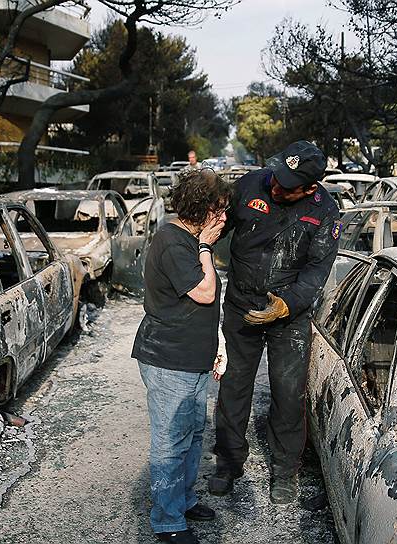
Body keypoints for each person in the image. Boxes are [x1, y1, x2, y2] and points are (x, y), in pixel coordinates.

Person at [209, 140, 341, 504]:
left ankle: (284, 471)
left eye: (287, 184)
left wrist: (286, 305)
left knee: (287, 394)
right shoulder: (252, 184)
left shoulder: (326, 212)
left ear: (310, 187)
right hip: (241, 306)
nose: (276, 186)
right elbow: (217, 227)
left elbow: (317, 272)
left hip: (288, 317)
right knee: (233, 387)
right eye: (277, 177)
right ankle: (228, 463)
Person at [132, 168, 230, 544]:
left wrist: (217, 345)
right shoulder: (176, 242)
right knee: (171, 440)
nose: (223, 218)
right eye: (218, 210)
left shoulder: (188, 238)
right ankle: (168, 521)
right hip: (168, 359)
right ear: (198, 208)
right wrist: (206, 246)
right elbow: (205, 293)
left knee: (192, 435)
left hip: (193, 358)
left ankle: (184, 501)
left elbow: (206, 309)